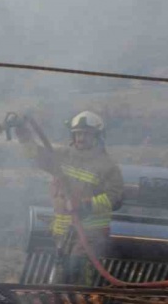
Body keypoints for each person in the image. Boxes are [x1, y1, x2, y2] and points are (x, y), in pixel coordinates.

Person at [13, 110, 124, 285]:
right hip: (63, 232)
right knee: (59, 281)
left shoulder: (107, 166)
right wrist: (23, 134)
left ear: (97, 136)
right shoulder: (63, 156)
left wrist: (86, 205)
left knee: (78, 276)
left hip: (89, 235)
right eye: (77, 134)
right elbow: (34, 155)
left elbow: (115, 198)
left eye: (86, 134)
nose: (80, 138)